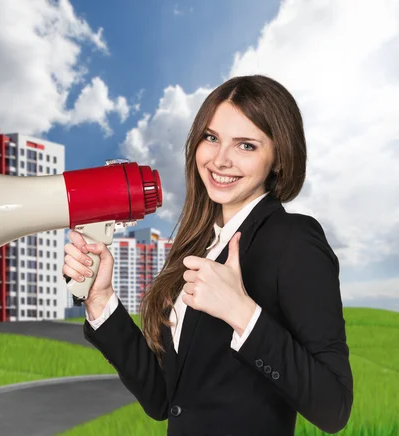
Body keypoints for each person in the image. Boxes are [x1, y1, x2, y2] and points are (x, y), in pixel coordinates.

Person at [62, 75, 353, 436]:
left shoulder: (294, 240)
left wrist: (242, 313)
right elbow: (163, 400)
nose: (220, 159)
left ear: (278, 157)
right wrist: (100, 299)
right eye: (211, 138)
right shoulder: (196, 245)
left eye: (246, 145)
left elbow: (334, 407)